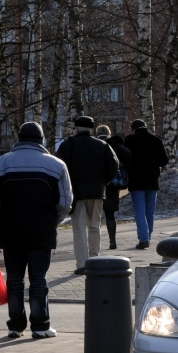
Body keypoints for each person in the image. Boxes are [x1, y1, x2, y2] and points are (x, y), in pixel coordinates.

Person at [0, 122, 72, 339]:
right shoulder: (57, 165)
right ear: (41, 141)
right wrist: (52, 220)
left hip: (11, 231)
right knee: (39, 279)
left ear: (19, 139)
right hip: (42, 231)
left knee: (14, 279)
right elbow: (65, 202)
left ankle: (15, 325)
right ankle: (41, 326)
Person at [57, 116, 119, 274]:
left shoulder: (67, 145)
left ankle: (81, 264)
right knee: (94, 226)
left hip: (76, 193)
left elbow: (59, 168)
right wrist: (103, 181)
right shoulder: (102, 145)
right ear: (92, 129)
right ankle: (95, 260)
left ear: (76, 128)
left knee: (78, 228)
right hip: (97, 192)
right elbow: (114, 166)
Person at [124, 119, 170, 249]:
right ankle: (148, 237)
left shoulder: (129, 141)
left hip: (136, 181)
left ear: (133, 129)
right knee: (150, 211)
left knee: (139, 209)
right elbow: (164, 161)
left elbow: (125, 160)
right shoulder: (156, 140)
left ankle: (144, 239)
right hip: (152, 180)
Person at [96, 125, 132, 250]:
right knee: (110, 214)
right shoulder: (115, 144)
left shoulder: (95, 144)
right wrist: (122, 167)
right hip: (112, 184)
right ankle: (113, 241)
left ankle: (96, 243)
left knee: (96, 215)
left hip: (97, 184)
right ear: (109, 133)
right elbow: (128, 154)